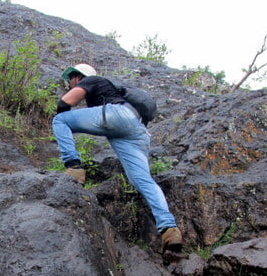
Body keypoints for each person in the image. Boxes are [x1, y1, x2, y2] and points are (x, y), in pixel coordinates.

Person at [52, 63, 183, 257]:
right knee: (142, 180)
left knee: (60, 120)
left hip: (117, 115)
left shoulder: (91, 80)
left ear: (78, 77)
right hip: (136, 129)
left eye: (70, 81)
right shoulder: (108, 91)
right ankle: (169, 229)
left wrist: (66, 121)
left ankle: (74, 167)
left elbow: (65, 103)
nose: (70, 84)